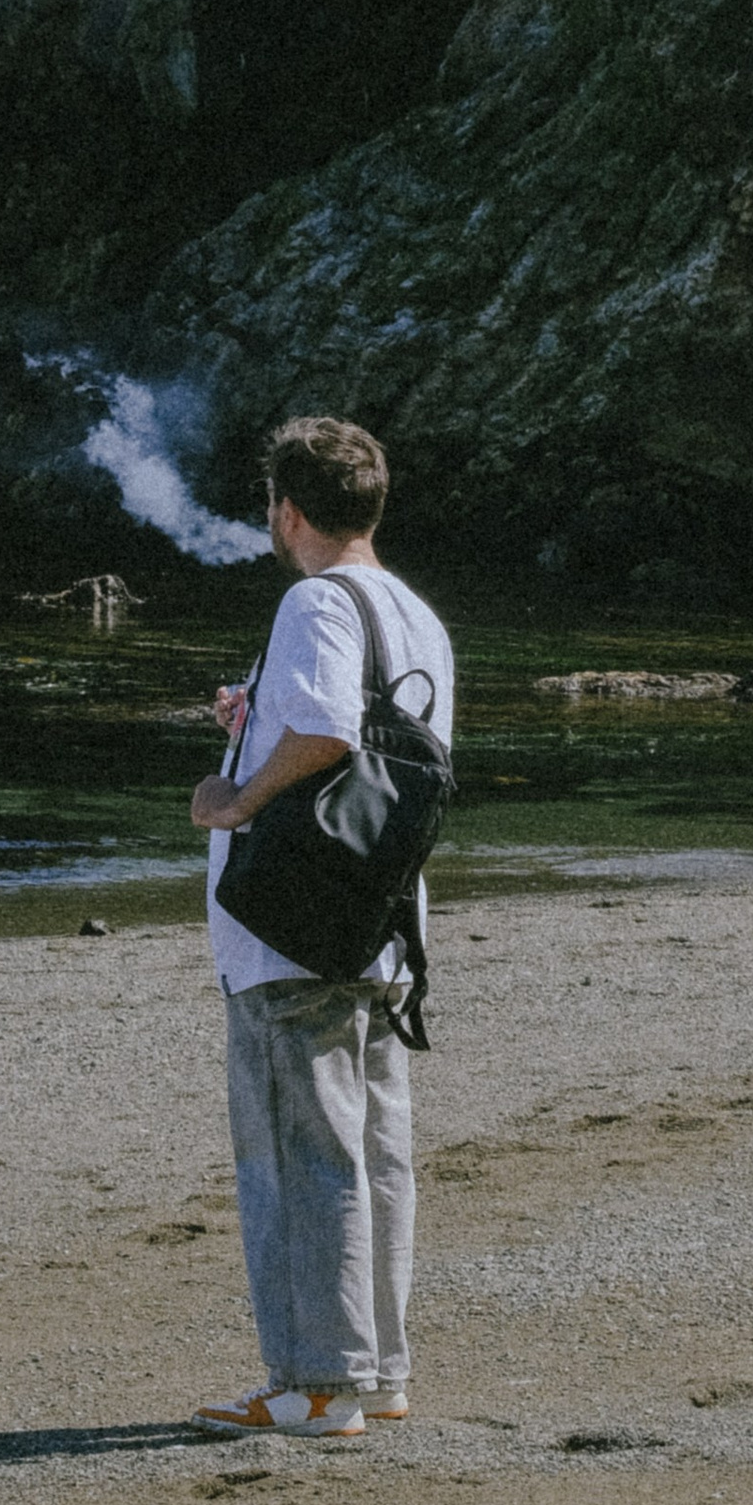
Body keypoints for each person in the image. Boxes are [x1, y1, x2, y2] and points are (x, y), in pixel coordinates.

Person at [188, 414, 455, 1442]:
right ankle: (377, 1371)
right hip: (380, 920)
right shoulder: (411, 610)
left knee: (301, 1152)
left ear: (286, 511)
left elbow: (330, 732)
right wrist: (255, 722)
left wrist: (236, 798)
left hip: (294, 924)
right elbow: (371, 738)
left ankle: (315, 1383)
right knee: (375, 1152)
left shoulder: (312, 598)